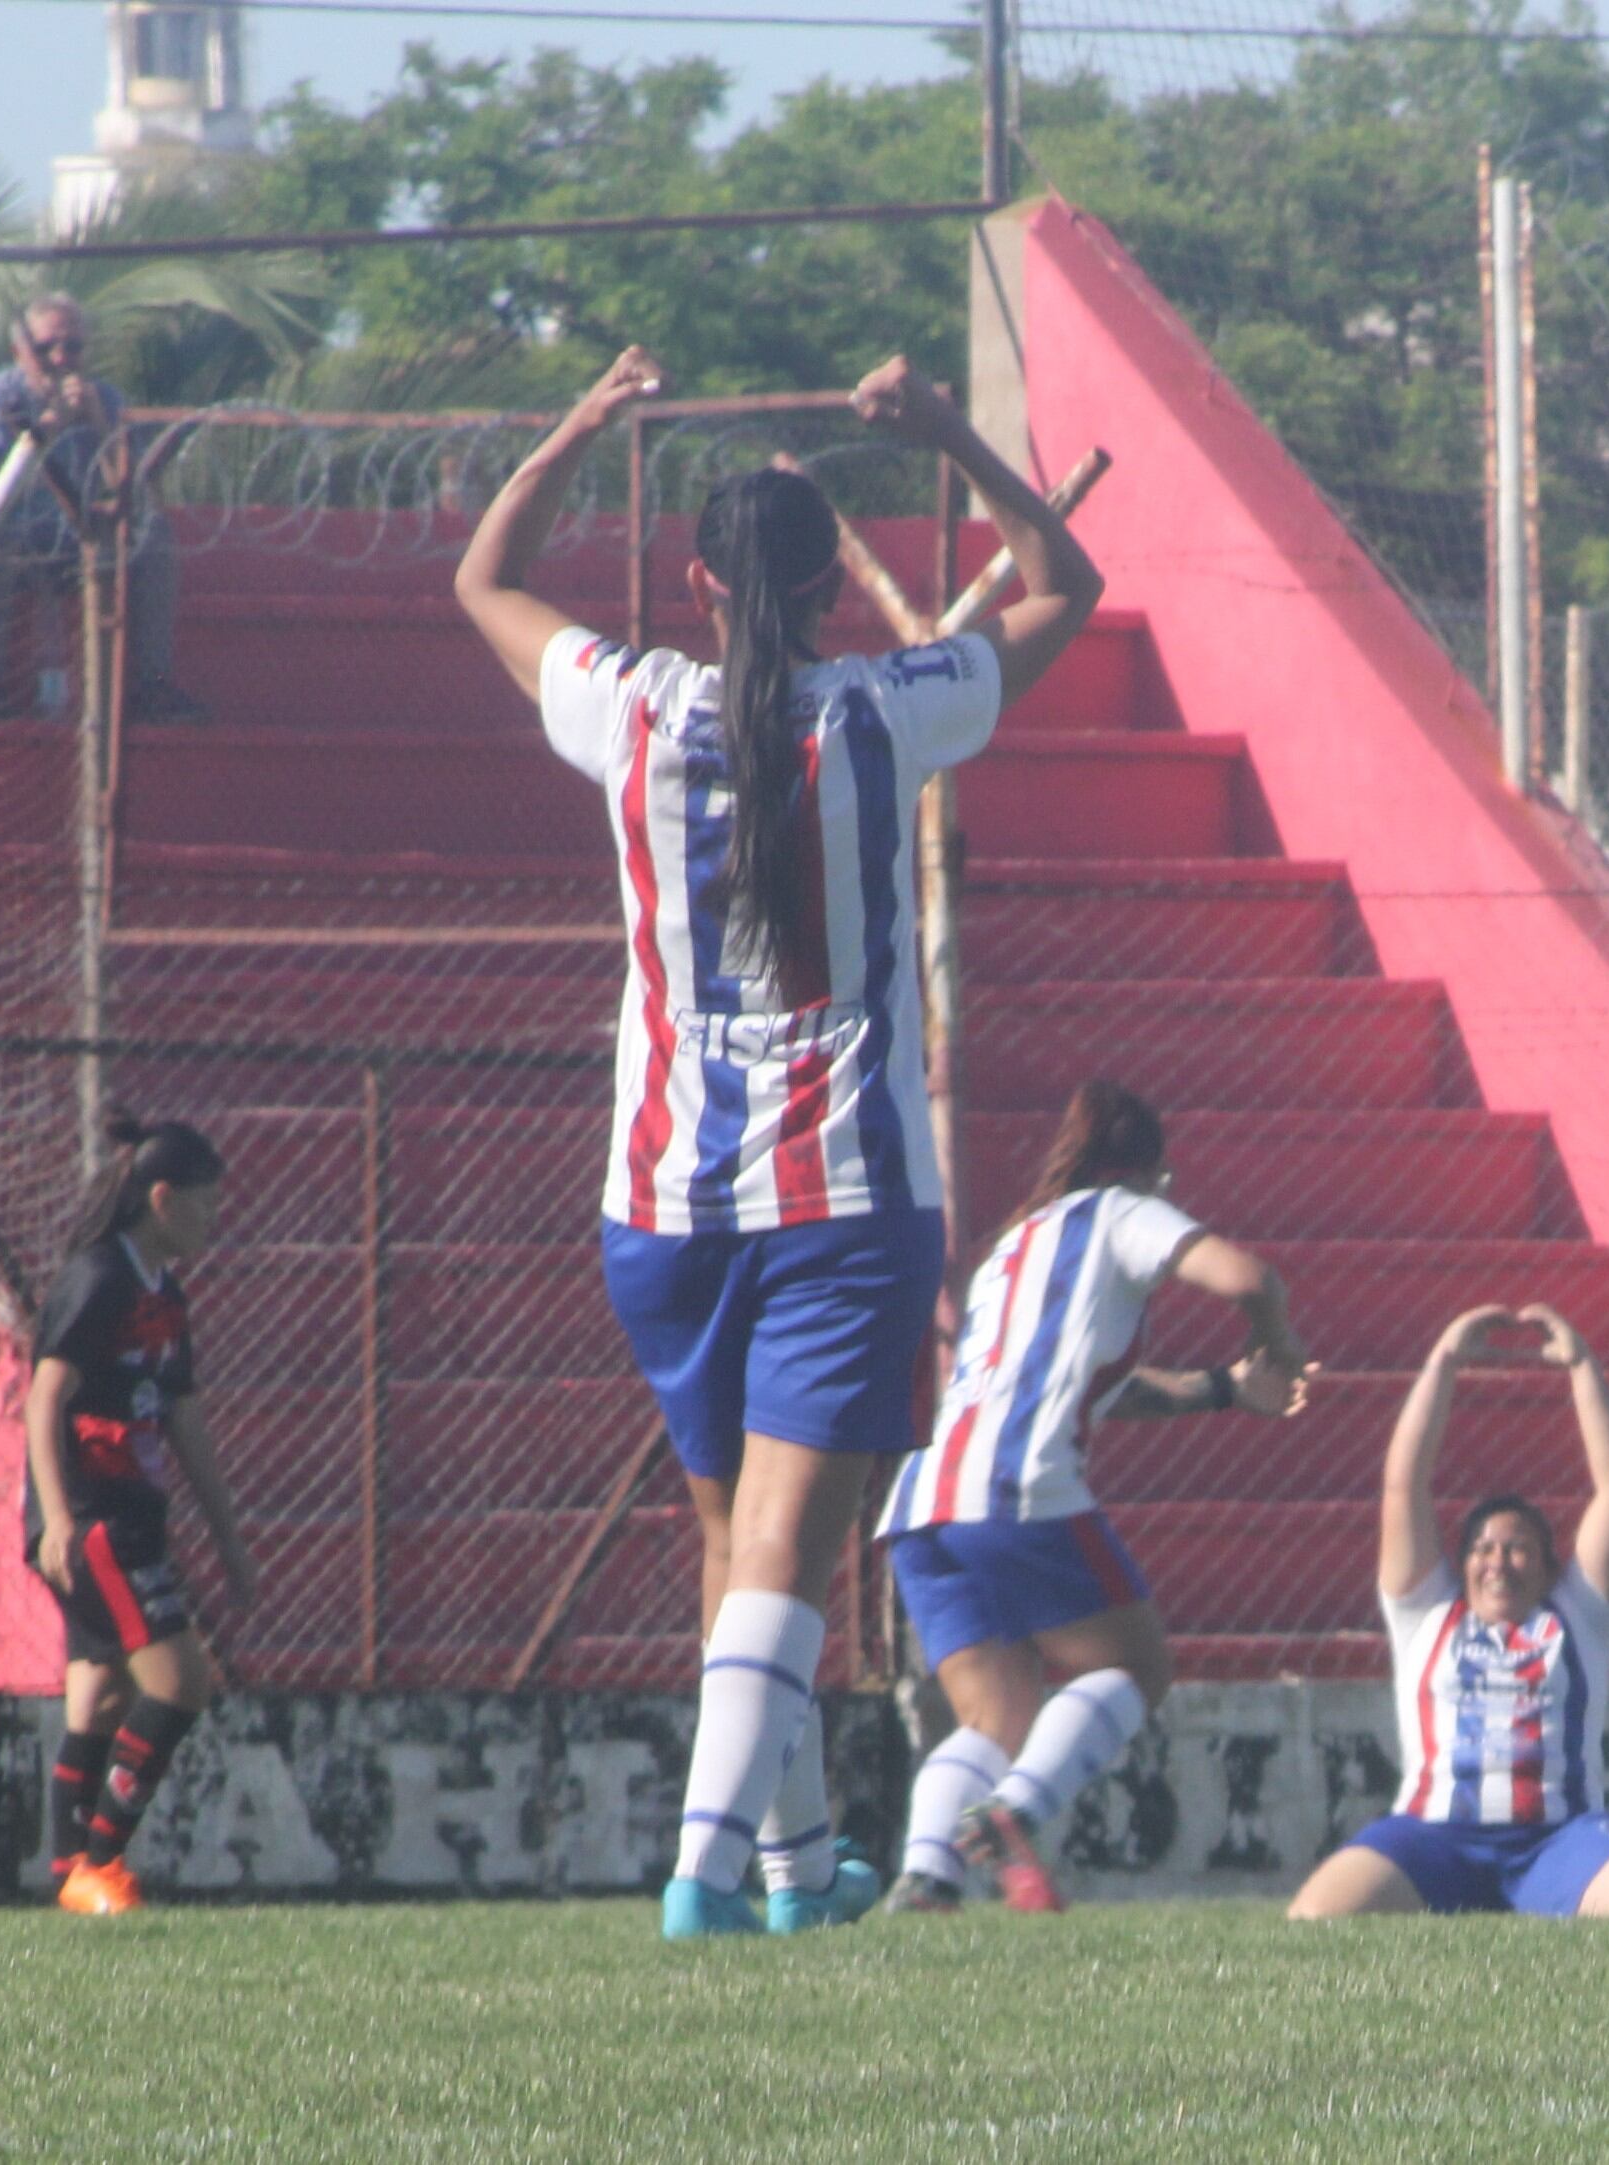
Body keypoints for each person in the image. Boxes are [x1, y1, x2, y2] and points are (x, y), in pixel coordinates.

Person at [452, 343, 1104, 1940]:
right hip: (843, 1196)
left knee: (741, 1557)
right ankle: (697, 1877)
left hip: (661, 1203)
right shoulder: (886, 710)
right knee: (782, 1559)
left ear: (693, 581)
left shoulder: (630, 706)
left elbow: (483, 578)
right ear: (828, 588)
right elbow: (1060, 584)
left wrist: (581, 426)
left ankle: (800, 1871)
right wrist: (948, 433)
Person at [872, 1080, 1314, 1915]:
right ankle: (1015, 1811)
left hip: (925, 1503)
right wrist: (1276, 1341)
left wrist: (1222, 1387)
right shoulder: (1119, 1210)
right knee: (1135, 1664)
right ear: (1143, 1169)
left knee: (994, 1721)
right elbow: (1246, 1275)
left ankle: (927, 1877)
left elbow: (1107, 1388)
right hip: (1018, 1488)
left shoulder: (1014, 1246)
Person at [1287, 1306, 1609, 1920]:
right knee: (1315, 1920)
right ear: (1461, 1565)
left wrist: (1582, 1366)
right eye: (1482, 1548)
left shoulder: (1579, 1618)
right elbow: (1404, 1485)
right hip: (1432, 1837)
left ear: (1546, 1566)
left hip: (1558, 1839)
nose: (1498, 1562)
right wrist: (1445, 1361)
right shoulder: (1424, 1613)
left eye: (1517, 1549)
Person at [25, 1116, 258, 1915]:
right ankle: (102, 1862)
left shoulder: (165, 1294)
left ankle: (70, 1873)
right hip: (91, 1518)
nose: (212, 1220)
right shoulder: (99, 1281)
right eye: (203, 1204)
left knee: (103, 1695)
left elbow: (185, 1422)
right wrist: (56, 1520)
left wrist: (227, 1540)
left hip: (132, 1514)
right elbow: (43, 1400)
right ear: (160, 1199)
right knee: (181, 1679)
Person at [0, 292, 199, 721]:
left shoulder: (104, 399)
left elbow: (132, 492)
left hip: (68, 536)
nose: (61, 357)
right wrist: (49, 427)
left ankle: (151, 687)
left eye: (72, 346)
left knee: (155, 541)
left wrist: (99, 424)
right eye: (47, 348)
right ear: (20, 352)